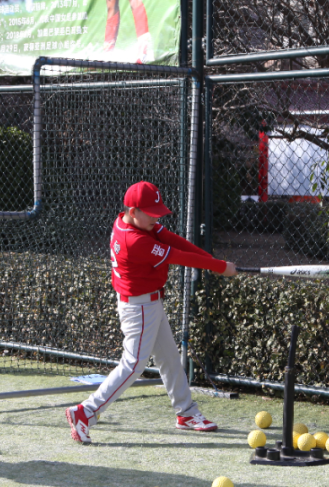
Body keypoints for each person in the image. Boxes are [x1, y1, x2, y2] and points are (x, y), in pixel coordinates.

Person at [67, 181, 236, 444]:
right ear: (133, 211)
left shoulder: (129, 222)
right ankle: (86, 411)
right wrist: (219, 267)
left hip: (148, 303)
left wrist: (216, 262)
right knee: (134, 364)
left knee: (169, 357)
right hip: (139, 307)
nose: (157, 218)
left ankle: (186, 412)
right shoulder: (135, 240)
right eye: (151, 213)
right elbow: (179, 256)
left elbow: (173, 240)